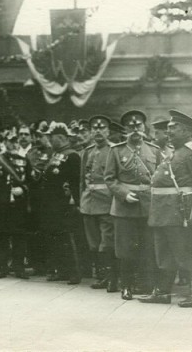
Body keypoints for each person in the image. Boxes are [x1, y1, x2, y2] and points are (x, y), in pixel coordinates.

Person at [140, 110, 192, 308]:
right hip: (163, 212)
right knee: (164, 253)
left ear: (187, 131)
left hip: (182, 212)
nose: (169, 132)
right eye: (168, 129)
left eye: (174, 128)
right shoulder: (175, 151)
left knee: (189, 252)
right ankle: (163, 292)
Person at [105, 110, 162, 300]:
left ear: (144, 127)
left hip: (148, 205)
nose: (135, 130)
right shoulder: (116, 150)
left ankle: (146, 284)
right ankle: (126, 285)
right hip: (124, 206)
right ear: (125, 130)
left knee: (148, 247)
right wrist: (123, 194)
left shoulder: (154, 150)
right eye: (131, 127)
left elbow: (160, 177)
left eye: (138, 126)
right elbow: (110, 179)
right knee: (125, 249)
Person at [39, 122, 82, 285]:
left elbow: (75, 181)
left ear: (61, 138)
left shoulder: (72, 155)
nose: (50, 140)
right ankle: (62, 270)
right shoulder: (55, 154)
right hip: (51, 204)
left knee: (67, 237)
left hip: (64, 204)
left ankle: (74, 272)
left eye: (52, 137)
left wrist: (75, 201)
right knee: (55, 237)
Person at [80, 115, 117, 292]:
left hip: (107, 201)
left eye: (102, 128)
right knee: (93, 242)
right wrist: (82, 199)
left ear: (108, 131)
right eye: (94, 128)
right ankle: (101, 275)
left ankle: (111, 276)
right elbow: (82, 179)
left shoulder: (113, 150)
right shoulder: (87, 151)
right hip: (89, 201)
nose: (98, 131)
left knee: (107, 242)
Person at [0, 130, 31, 279]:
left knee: (19, 235)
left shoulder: (24, 160)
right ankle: (2, 267)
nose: (13, 143)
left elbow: (30, 182)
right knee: (1, 235)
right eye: (9, 140)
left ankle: (19, 267)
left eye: (15, 140)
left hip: (18, 204)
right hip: (2, 203)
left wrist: (23, 190)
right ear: (4, 142)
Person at [26, 121, 52, 276]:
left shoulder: (52, 152)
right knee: (33, 231)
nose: (37, 139)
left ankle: (48, 264)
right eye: (35, 135)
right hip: (32, 196)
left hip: (46, 196)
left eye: (40, 135)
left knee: (46, 230)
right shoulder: (31, 152)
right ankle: (36, 264)